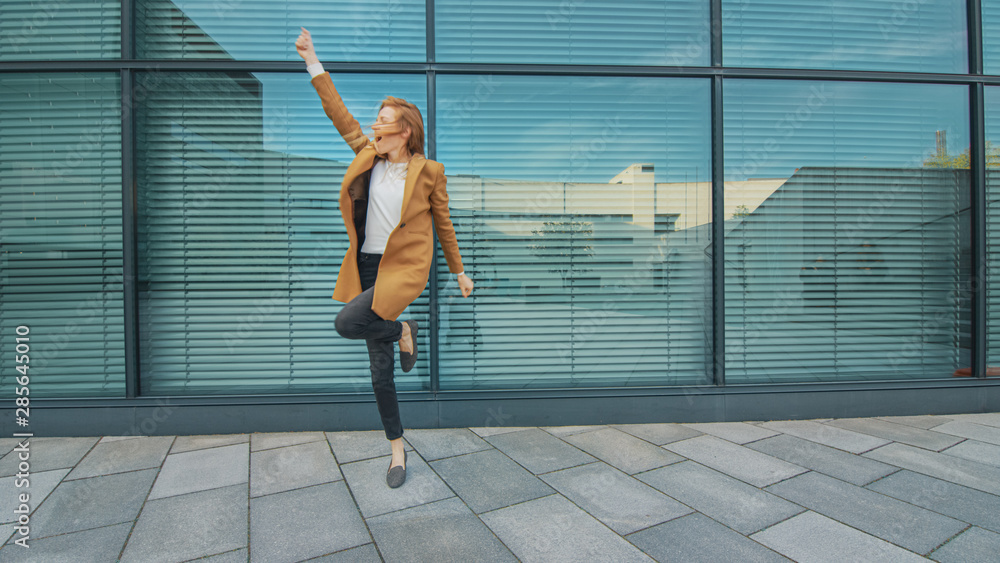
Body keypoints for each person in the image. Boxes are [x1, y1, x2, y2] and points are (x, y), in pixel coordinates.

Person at [295, 27, 474, 488]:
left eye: (383, 120)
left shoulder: (429, 172)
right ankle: (397, 453)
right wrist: (313, 61)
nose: (374, 125)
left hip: (403, 270)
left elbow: (444, 224)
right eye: (375, 120)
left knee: (345, 323)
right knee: (380, 373)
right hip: (367, 266)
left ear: (405, 130)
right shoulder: (367, 155)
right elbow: (339, 114)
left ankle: (404, 329)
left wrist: (458, 270)